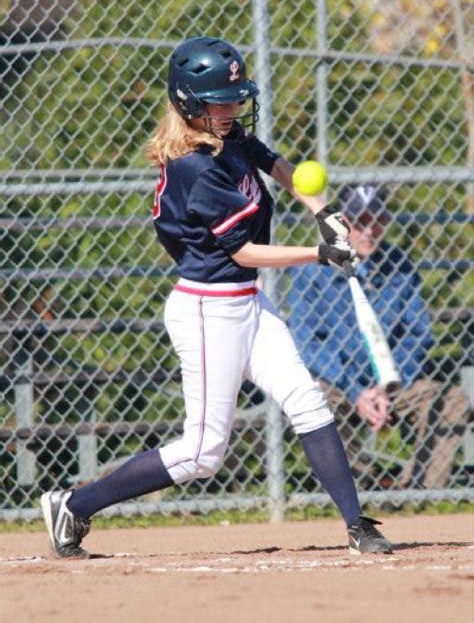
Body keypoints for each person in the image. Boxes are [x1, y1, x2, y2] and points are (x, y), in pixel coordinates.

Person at [40, 36, 392, 558]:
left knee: (306, 399)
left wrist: (323, 213)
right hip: (208, 311)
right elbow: (246, 252)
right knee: (204, 452)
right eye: (218, 102)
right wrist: (321, 253)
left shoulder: (227, 138)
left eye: (233, 98)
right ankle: (74, 503)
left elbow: (280, 168)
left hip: (248, 304)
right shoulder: (194, 168)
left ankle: (357, 524)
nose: (230, 109)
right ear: (189, 104)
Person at [288, 184, 469, 489]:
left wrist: (388, 383)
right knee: (315, 398)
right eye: (361, 221)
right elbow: (308, 342)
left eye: (379, 220)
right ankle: (358, 489)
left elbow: (417, 333)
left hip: (393, 381)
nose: (370, 230)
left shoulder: (398, 265)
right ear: (342, 221)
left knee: (452, 401)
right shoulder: (313, 267)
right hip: (338, 382)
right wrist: (356, 389)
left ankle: (418, 492)